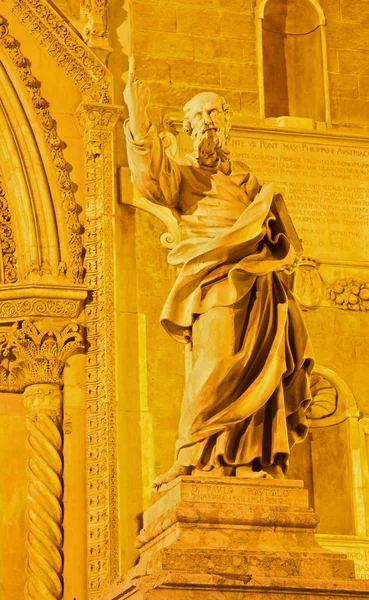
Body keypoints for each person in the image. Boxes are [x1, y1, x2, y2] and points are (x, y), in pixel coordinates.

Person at [123, 57, 314, 487]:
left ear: (225, 123)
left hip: (259, 282)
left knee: (263, 370)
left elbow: (273, 228)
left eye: (213, 114)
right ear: (187, 129)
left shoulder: (248, 180)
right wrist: (138, 119)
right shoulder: (184, 176)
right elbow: (151, 179)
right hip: (212, 281)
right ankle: (190, 454)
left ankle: (256, 458)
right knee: (216, 360)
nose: (207, 123)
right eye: (198, 117)